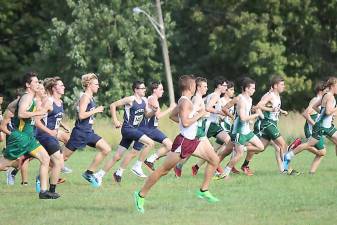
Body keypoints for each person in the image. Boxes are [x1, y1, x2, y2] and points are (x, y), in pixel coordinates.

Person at [134, 75, 220, 214]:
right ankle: (140, 195)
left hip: (192, 141)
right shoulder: (185, 102)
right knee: (163, 170)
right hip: (184, 142)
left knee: (214, 159)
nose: (195, 86)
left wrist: (190, 118)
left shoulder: (184, 101)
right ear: (190, 86)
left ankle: (203, 190)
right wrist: (200, 114)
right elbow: (185, 122)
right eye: (194, 84)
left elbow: (173, 116)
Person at [0, 72, 57, 199]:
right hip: (20, 138)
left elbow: (13, 108)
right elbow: (21, 114)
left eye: (38, 82)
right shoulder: (27, 97)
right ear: (28, 85)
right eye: (35, 82)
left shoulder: (30, 98)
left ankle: (43, 192)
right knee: (3, 164)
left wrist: (42, 111)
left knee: (45, 159)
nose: (38, 84)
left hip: (29, 138)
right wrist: (41, 110)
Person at [94, 81, 155, 184]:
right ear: (136, 89)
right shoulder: (130, 99)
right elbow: (113, 105)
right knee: (150, 143)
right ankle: (138, 166)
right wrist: (115, 120)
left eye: (145, 88)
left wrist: (153, 111)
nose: (145, 90)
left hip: (133, 130)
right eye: (142, 88)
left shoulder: (144, 100)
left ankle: (99, 174)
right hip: (128, 129)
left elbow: (147, 115)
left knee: (117, 156)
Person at [241, 76, 300, 175]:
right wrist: (271, 110)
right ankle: (287, 170)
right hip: (267, 123)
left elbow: (274, 107)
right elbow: (258, 106)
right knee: (283, 145)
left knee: (260, 148)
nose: (283, 86)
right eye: (282, 84)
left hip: (273, 123)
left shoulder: (277, 96)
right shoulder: (270, 95)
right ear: (275, 86)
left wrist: (281, 111)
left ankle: (241, 149)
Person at [62, 73, 111, 187]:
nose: (98, 86)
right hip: (80, 133)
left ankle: (88, 173)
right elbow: (81, 115)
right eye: (96, 84)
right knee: (63, 157)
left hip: (88, 132)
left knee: (106, 149)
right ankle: (41, 177)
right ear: (89, 85)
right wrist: (96, 110)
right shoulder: (85, 97)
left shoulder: (90, 97)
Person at [284, 77, 337, 172]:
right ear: (333, 86)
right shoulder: (329, 96)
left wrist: (322, 114)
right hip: (321, 126)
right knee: (310, 145)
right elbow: (328, 111)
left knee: (324, 148)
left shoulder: (326, 95)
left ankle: (311, 172)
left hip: (326, 126)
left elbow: (316, 107)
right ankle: (288, 155)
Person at [217, 77, 264, 179]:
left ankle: (242, 148)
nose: (254, 90)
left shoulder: (250, 99)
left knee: (261, 147)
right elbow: (240, 117)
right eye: (252, 88)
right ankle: (225, 174)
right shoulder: (240, 99)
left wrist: (253, 111)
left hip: (247, 131)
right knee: (238, 154)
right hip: (239, 132)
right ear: (246, 89)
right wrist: (256, 115)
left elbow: (246, 114)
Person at [34, 77, 66, 194]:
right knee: (57, 161)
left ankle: (43, 185)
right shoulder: (49, 101)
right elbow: (37, 121)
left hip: (52, 136)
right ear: (54, 88)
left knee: (52, 162)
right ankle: (51, 191)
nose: (63, 87)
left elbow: (54, 118)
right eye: (61, 85)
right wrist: (50, 131)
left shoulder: (60, 102)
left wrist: (61, 127)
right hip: (44, 136)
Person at [143, 81, 176, 170]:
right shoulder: (153, 99)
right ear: (154, 90)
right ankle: (150, 160)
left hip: (152, 128)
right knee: (171, 146)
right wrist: (170, 108)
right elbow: (158, 116)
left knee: (170, 146)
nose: (163, 91)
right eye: (161, 89)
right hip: (149, 129)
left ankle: (150, 160)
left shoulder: (153, 99)